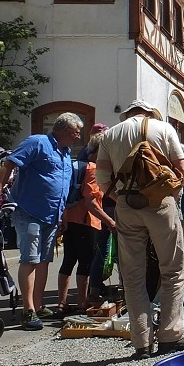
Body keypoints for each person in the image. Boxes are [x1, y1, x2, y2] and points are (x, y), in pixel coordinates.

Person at [96, 99, 184, 357]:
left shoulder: (110, 135)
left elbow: (102, 179)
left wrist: (121, 200)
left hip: (127, 204)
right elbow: (183, 169)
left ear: (127, 114)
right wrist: (170, 197)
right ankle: (170, 335)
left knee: (132, 275)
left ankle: (141, 341)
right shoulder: (163, 128)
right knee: (173, 269)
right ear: (150, 113)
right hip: (161, 203)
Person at [0, 112, 83, 331]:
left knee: (44, 260)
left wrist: (62, 216)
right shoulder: (37, 143)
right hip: (30, 212)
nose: (78, 137)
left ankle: (38, 306)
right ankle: (27, 310)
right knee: (30, 258)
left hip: (52, 215)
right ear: (66, 131)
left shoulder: (66, 153)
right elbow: (8, 164)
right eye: (77, 133)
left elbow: (62, 188)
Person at [54, 133, 115, 317]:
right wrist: (109, 221)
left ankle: (62, 304)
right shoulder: (93, 169)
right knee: (85, 262)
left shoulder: (76, 166)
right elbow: (91, 202)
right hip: (86, 221)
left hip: (70, 218)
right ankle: (82, 303)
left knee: (68, 260)